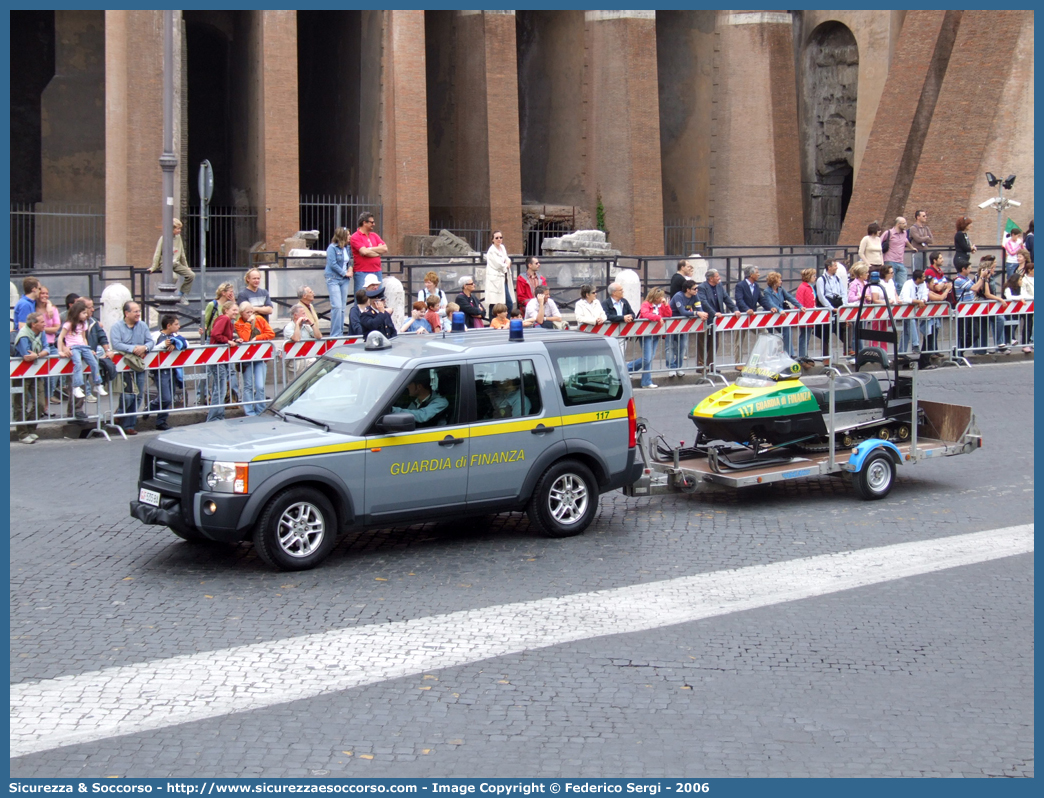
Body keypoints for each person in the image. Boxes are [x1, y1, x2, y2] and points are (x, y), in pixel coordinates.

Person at [109, 301, 153, 434]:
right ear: (126, 313)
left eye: (139, 311)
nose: (138, 314)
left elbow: (150, 341)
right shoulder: (117, 327)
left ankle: (129, 425)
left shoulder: (143, 325)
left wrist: (144, 347)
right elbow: (116, 343)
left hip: (138, 365)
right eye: (135, 311)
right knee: (128, 395)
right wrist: (133, 348)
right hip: (124, 365)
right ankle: (120, 413)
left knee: (138, 395)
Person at [57, 299, 107, 401]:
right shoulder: (68, 324)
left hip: (83, 347)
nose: (86, 315)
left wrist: (88, 348)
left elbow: (84, 337)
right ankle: (76, 386)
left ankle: (98, 383)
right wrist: (60, 350)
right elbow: (60, 337)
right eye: (83, 313)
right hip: (73, 347)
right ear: (77, 313)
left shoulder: (84, 324)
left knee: (94, 363)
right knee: (78, 364)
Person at [13, 312, 50, 442]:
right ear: (34, 324)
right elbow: (26, 355)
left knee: (40, 403)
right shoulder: (23, 336)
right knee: (20, 403)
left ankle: (30, 428)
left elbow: (47, 348)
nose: (45, 324)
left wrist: (38, 355)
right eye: (42, 322)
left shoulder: (41, 332)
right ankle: (22, 434)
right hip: (20, 373)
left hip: (36, 371)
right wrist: (39, 354)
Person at [234, 301, 275, 416]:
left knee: (260, 385)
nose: (251, 314)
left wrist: (257, 337)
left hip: (260, 356)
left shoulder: (260, 319)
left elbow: (271, 333)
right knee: (248, 385)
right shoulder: (238, 323)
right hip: (247, 358)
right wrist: (248, 323)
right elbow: (245, 338)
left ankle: (260, 409)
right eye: (248, 312)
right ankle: (249, 411)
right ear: (242, 313)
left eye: (252, 311)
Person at [150, 314, 187, 431]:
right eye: (176, 324)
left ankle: (161, 421)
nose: (179, 326)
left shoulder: (175, 336)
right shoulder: (156, 335)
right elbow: (150, 348)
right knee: (165, 397)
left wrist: (175, 343)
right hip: (161, 370)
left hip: (173, 369)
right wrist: (163, 345)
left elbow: (186, 343)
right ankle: (150, 406)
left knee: (170, 397)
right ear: (168, 325)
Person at [206, 300, 240, 422]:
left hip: (220, 357)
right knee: (220, 388)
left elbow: (221, 335)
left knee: (219, 387)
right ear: (226, 310)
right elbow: (216, 334)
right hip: (217, 357)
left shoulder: (228, 321)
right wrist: (227, 341)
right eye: (234, 310)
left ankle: (218, 415)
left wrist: (233, 340)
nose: (237, 312)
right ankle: (214, 417)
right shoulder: (224, 319)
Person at [146, 218, 195, 302]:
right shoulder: (163, 238)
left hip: (176, 263)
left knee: (191, 275)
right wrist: (153, 267)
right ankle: (168, 294)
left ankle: (181, 294)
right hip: (165, 264)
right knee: (174, 277)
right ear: (172, 229)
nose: (179, 230)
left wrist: (186, 266)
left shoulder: (178, 238)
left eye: (180, 229)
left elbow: (182, 253)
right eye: (177, 229)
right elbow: (157, 254)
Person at [696, 269, 737, 368]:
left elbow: (726, 298)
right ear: (711, 278)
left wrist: (735, 309)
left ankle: (711, 365)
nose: (719, 278)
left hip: (716, 320)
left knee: (714, 343)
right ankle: (700, 366)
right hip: (706, 319)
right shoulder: (702, 287)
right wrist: (714, 313)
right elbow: (704, 302)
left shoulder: (719, 286)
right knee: (702, 343)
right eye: (717, 276)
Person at [632, 288, 671, 388]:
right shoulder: (646, 304)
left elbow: (669, 315)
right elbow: (645, 314)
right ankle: (627, 368)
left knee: (649, 358)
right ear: (655, 297)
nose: (662, 299)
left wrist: (666, 306)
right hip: (646, 333)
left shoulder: (662, 305)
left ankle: (646, 382)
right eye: (660, 297)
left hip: (656, 333)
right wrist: (658, 318)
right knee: (647, 358)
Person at [667, 278, 706, 375]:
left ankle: (678, 367)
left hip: (683, 324)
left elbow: (699, 308)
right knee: (670, 346)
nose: (696, 290)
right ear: (688, 290)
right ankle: (671, 368)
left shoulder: (695, 296)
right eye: (694, 289)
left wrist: (701, 313)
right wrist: (698, 313)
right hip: (672, 323)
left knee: (682, 346)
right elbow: (683, 312)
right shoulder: (678, 296)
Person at [763, 271, 800, 357]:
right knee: (771, 336)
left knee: (787, 331)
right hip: (771, 316)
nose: (781, 281)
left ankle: (790, 354)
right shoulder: (767, 291)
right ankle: (770, 355)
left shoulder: (781, 289)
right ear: (774, 281)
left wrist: (799, 306)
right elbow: (770, 303)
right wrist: (779, 310)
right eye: (779, 279)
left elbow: (790, 297)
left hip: (780, 316)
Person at [324, 227, 353, 336]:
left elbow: (348, 261)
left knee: (342, 307)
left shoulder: (347, 248)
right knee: (336, 306)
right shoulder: (332, 248)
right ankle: (335, 334)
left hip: (344, 279)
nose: (350, 236)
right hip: (333, 278)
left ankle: (340, 332)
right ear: (342, 236)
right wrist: (344, 273)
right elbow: (332, 264)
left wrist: (350, 268)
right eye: (348, 234)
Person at [350, 212, 387, 294]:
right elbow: (364, 251)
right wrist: (378, 251)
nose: (374, 224)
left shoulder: (374, 235)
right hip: (362, 272)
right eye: (372, 222)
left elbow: (385, 248)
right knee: (362, 298)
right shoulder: (355, 237)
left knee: (377, 297)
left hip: (377, 271)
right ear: (364, 222)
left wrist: (369, 249)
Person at [815, 260, 846, 357]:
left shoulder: (838, 279)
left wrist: (843, 306)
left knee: (844, 328)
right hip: (827, 308)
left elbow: (843, 292)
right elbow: (821, 296)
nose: (837, 268)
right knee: (825, 333)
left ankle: (848, 349)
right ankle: (826, 356)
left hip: (838, 306)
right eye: (835, 266)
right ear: (829, 267)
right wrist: (831, 308)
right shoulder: (821, 280)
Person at [484, 230, 513, 317]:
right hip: (495, 279)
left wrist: (508, 262)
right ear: (492, 240)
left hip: (503, 277)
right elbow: (498, 264)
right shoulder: (491, 251)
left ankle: (504, 321)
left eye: (501, 237)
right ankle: (493, 323)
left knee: (506, 303)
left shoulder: (502, 247)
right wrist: (506, 265)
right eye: (496, 238)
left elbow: (507, 258)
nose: (499, 239)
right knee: (496, 303)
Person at [898, 269, 928, 354]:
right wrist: (919, 301)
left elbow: (925, 294)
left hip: (914, 310)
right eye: (923, 277)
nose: (925, 278)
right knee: (911, 322)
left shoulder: (923, 284)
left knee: (906, 331)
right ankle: (915, 344)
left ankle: (901, 352)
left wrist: (923, 300)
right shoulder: (908, 284)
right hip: (905, 309)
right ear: (918, 278)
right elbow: (905, 298)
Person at [881, 216, 912, 291]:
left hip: (900, 262)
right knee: (891, 284)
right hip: (890, 261)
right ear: (898, 224)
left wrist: (912, 247)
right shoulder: (889, 233)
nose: (906, 225)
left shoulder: (904, 233)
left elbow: (905, 240)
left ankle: (898, 301)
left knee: (902, 285)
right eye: (904, 223)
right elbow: (879, 242)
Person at [795, 267, 818, 362]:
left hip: (810, 316)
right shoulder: (803, 287)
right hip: (805, 316)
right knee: (804, 336)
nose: (815, 277)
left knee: (807, 336)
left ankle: (804, 354)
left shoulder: (809, 286)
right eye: (813, 276)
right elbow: (799, 302)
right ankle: (802, 355)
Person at [1019, 259, 1033, 352]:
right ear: (1030, 270)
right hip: (1028, 304)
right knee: (1028, 324)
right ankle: (1025, 343)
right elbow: (1023, 292)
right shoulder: (1024, 280)